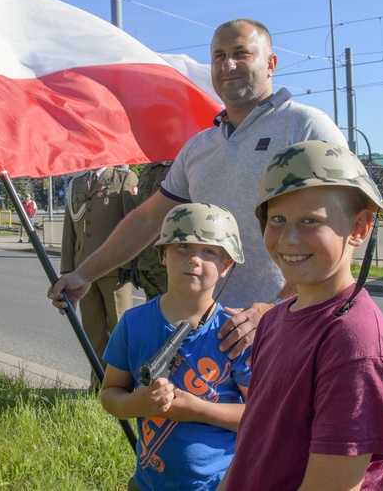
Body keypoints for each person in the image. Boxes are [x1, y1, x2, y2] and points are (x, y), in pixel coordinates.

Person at [50, 18, 346, 359]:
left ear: (270, 63)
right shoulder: (199, 147)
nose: (228, 64)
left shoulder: (305, 126)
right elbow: (148, 220)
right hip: (213, 336)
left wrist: (275, 309)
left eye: (241, 53)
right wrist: (85, 274)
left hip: (291, 329)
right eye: (218, 56)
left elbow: (343, 227)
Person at [219, 141, 383, 491]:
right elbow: (253, 437)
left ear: (359, 228)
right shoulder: (276, 320)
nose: (289, 238)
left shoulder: (352, 344)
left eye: (311, 221)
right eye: (277, 219)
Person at [101, 203, 251, 491]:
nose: (194, 259)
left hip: (219, 484)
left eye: (209, 251)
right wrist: (136, 404)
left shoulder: (236, 332)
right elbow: (110, 394)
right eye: (182, 246)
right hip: (149, 483)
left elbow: (260, 414)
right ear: (163, 254)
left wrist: (198, 410)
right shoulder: (134, 323)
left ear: (226, 266)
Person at [61, 166, 139, 375]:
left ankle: (124, 386)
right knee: (93, 331)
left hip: (114, 269)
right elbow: (70, 230)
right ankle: (98, 384)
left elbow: (133, 226)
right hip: (82, 270)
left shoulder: (123, 178)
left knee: (121, 330)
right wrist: (67, 269)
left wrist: (128, 265)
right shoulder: (76, 184)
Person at [133, 161, 173, 299]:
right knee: (152, 315)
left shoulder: (180, 165)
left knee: (177, 316)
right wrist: (134, 260)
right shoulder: (147, 169)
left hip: (169, 261)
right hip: (145, 261)